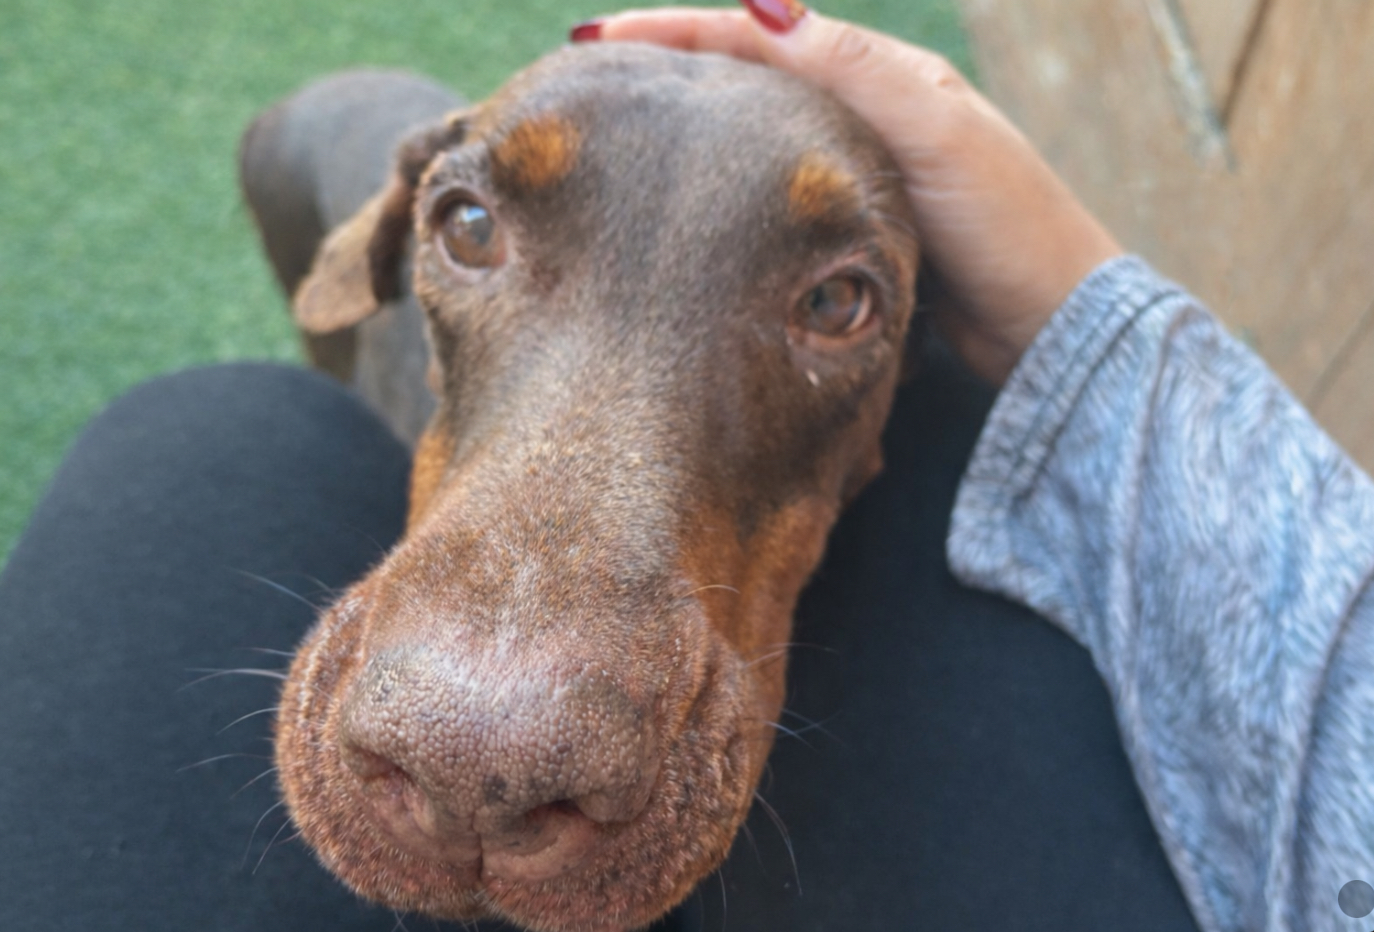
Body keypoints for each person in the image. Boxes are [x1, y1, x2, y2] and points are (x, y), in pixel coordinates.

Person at [0, 2, 1368, 930]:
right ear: (410, 223)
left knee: (206, 437)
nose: (493, 740)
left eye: (834, 303)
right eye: (470, 229)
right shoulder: (317, 151)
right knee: (299, 406)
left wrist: (1089, 320)